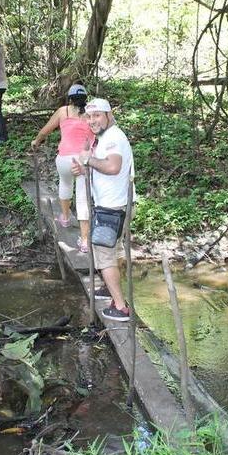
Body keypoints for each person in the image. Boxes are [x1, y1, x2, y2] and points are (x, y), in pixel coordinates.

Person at [71, 98, 134, 322]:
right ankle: (110, 289)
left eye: (97, 115)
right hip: (113, 205)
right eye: (89, 117)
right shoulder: (106, 138)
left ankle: (120, 307)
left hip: (112, 207)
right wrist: (84, 167)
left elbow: (113, 166)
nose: (92, 120)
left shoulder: (113, 137)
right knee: (111, 252)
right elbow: (100, 167)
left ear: (109, 115)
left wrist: (89, 160)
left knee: (105, 257)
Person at [30, 84, 96, 252]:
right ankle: (85, 241)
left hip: (65, 158)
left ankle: (65, 218)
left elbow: (45, 130)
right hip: (84, 159)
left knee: (65, 184)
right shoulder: (92, 113)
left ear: (70, 98)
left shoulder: (63, 111)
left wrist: (36, 141)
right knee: (82, 198)